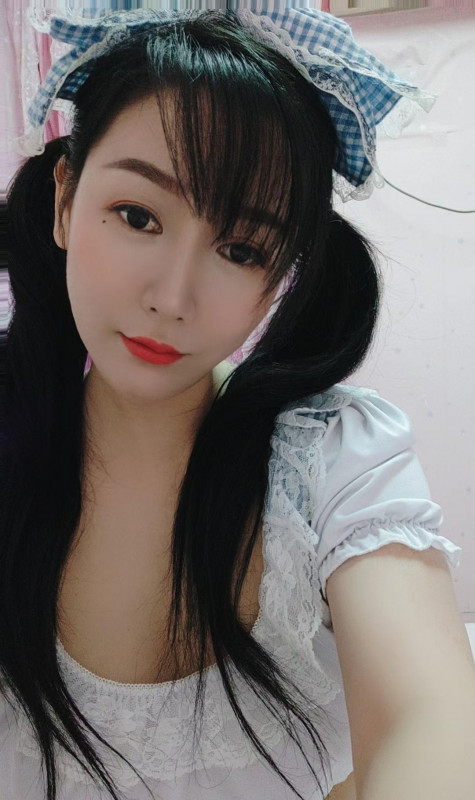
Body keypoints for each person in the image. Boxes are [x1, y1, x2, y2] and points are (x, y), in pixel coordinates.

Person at [2, 6, 468, 800]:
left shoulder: (333, 463)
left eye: (241, 248)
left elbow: (432, 722)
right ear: (65, 201)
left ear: (281, 275)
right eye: (138, 216)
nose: (172, 297)